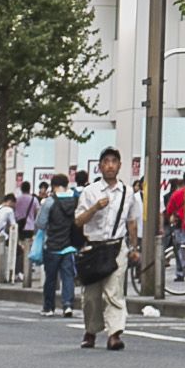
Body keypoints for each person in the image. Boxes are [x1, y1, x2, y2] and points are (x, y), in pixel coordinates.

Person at [75, 148, 131, 350]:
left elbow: (131, 220)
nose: (110, 165)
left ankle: (115, 333)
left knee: (114, 291)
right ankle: (90, 331)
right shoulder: (90, 191)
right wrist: (95, 208)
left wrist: (134, 246)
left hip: (116, 246)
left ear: (119, 165)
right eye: (106, 161)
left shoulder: (128, 192)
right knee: (91, 295)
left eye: (114, 161)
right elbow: (79, 220)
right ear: (100, 166)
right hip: (94, 247)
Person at [40, 173, 79, 316]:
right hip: (69, 245)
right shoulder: (75, 201)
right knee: (68, 276)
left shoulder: (49, 202)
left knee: (50, 277)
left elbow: (40, 223)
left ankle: (49, 307)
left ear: (53, 186)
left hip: (52, 245)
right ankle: (67, 305)